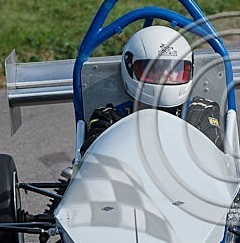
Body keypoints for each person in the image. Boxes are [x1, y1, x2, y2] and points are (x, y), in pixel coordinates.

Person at [81, 25, 224, 154]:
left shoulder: (200, 112)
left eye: (175, 70)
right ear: (131, 69)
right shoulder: (109, 119)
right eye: (155, 70)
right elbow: (92, 167)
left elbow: (216, 164)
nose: (166, 76)